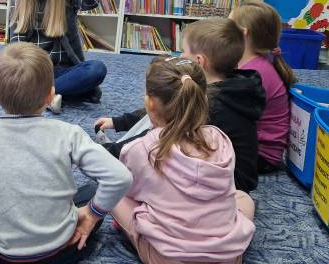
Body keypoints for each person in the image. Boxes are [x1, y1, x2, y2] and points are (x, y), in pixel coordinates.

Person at [0, 43, 132, 264]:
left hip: (2, 255)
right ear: (51, 95)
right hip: (62, 250)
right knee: (92, 191)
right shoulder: (68, 133)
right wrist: (92, 214)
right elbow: (120, 177)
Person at [110, 57, 256, 263]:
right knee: (244, 198)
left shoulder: (140, 148)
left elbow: (130, 191)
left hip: (168, 257)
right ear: (203, 100)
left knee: (113, 192)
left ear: (149, 104)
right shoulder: (221, 140)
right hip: (227, 257)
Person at [95, 19, 264, 192]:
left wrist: (107, 152)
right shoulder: (234, 87)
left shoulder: (212, 104)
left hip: (223, 185)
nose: (180, 55)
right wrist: (119, 122)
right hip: (232, 178)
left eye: (183, 51)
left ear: (199, 61)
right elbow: (159, 109)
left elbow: (157, 137)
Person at [230, 0, 296, 173]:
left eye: (228, 26)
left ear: (242, 33)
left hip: (259, 156)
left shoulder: (254, 73)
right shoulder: (253, 63)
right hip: (256, 148)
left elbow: (228, 116)